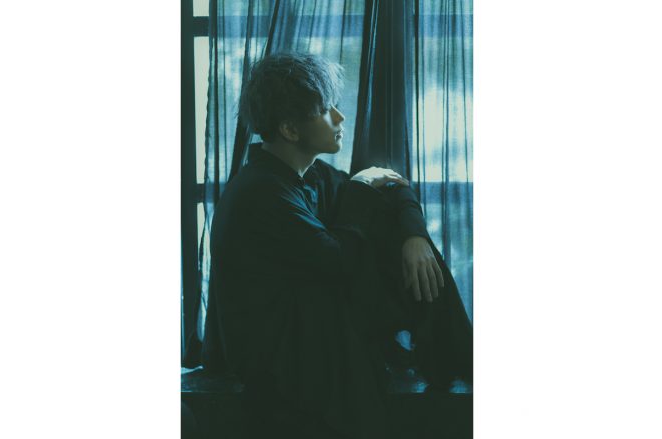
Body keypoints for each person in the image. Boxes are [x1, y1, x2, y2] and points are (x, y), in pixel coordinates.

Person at [191, 53, 472, 438]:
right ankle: (458, 359)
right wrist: (361, 192)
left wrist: (415, 237)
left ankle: (454, 359)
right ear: (290, 129)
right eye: (326, 110)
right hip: (282, 353)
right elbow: (338, 260)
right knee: (373, 231)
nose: (340, 117)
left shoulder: (309, 174)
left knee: (392, 231)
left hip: (316, 325)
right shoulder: (261, 192)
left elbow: (391, 187)